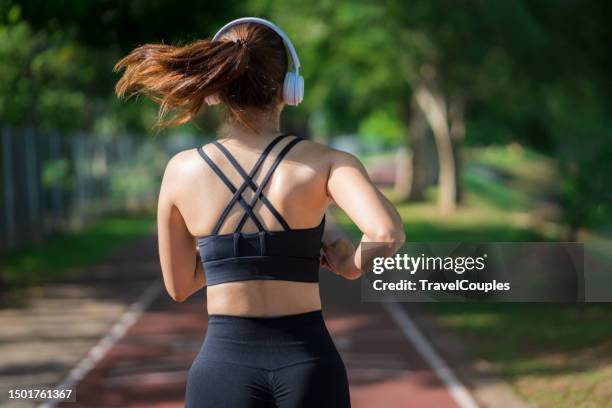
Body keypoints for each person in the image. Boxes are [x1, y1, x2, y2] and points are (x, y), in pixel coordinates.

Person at [115, 17, 404, 408]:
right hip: (310, 365)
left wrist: (230, 252)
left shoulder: (181, 171)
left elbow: (180, 286)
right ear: (290, 87)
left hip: (222, 370)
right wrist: (347, 262)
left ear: (216, 90)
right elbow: (386, 233)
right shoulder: (328, 162)